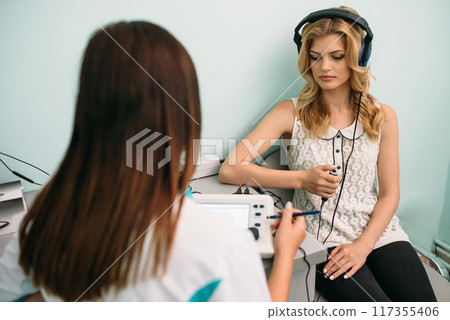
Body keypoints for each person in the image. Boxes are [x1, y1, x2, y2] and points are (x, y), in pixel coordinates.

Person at [0, 21, 306, 302]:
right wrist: (286, 252)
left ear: (85, 106)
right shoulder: (221, 245)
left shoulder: (37, 222)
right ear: (184, 114)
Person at [219, 6, 437, 302]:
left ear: (358, 58)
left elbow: (389, 194)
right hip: (323, 241)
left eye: (336, 57)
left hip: (380, 234)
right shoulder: (289, 112)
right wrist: (301, 180)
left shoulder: (383, 117)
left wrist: (364, 245)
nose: (324, 67)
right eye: (315, 57)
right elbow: (229, 169)